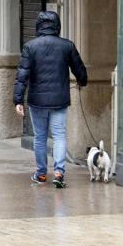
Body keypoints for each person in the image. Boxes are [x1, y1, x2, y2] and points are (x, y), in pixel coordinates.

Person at [13, 11, 87, 188]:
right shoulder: (66, 46)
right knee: (60, 136)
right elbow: (80, 68)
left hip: (37, 100)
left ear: (39, 26)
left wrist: (17, 100)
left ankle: (40, 175)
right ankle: (59, 172)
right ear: (57, 25)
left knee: (40, 137)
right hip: (59, 99)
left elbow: (22, 76)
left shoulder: (30, 47)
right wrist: (82, 82)